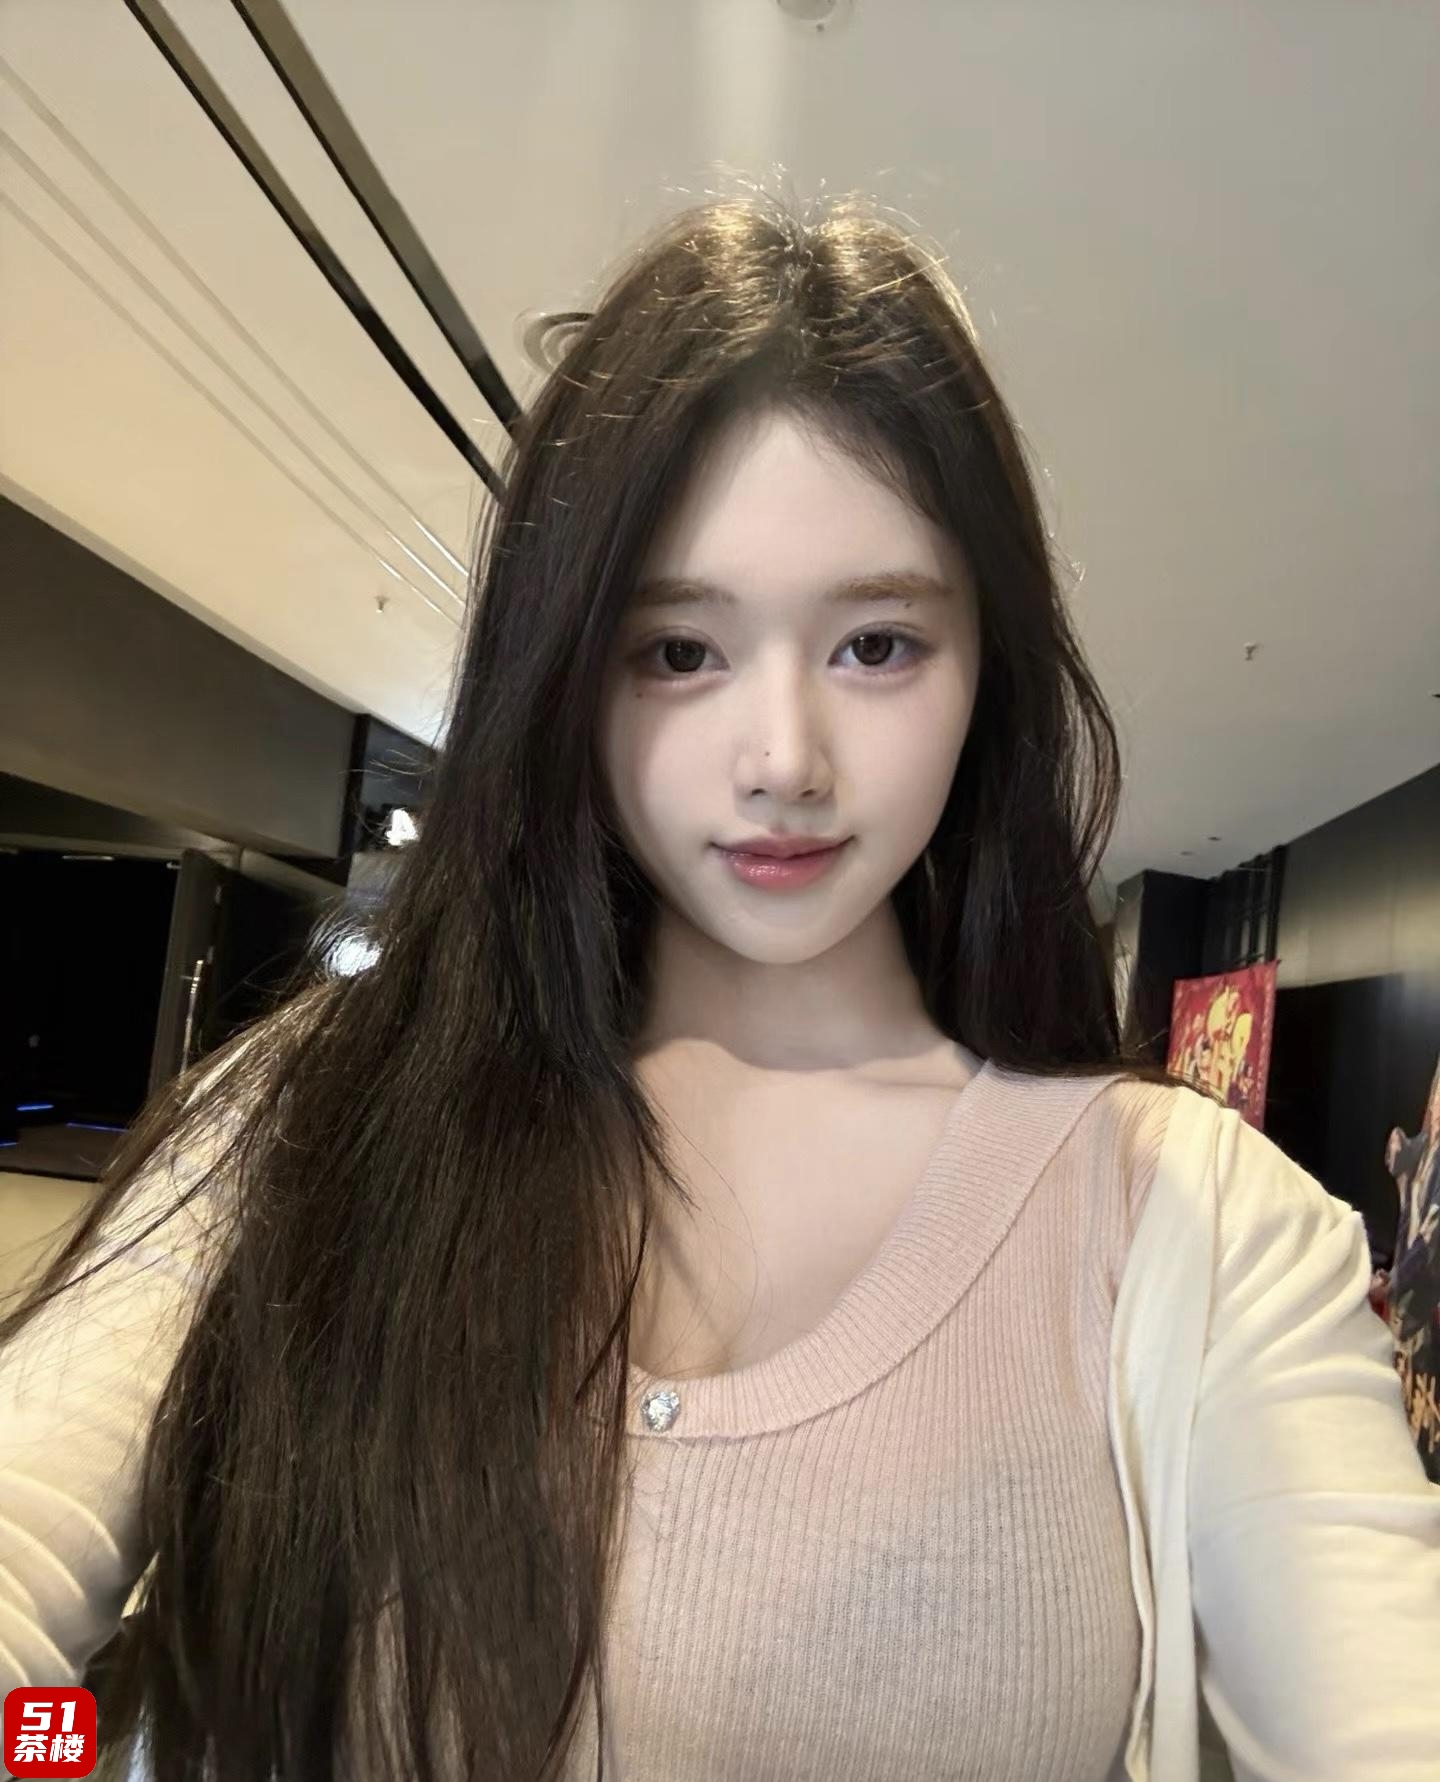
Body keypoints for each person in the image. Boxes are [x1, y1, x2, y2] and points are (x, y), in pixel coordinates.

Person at [2, 189, 1437, 1782]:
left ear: (989, 672)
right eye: (681, 651)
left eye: (876, 645)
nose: (783, 760)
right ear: (566, 674)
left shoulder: (1195, 1229)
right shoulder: (307, 1116)